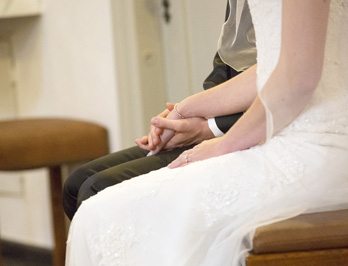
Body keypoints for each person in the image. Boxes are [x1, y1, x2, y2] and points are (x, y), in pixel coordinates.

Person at [66, 0, 348, 265]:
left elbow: (296, 79)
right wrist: (183, 109)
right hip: (284, 131)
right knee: (91, 199)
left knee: (98, 214)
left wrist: (222, 145)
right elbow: (274, 66)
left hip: (317, 143)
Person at [62, 0, 256, 221]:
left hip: (260, 128)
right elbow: (227, 61)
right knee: (76, 183)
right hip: (219, 116)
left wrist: (209, 126)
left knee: (96, 189)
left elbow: (274, 79)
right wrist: (188, 116)